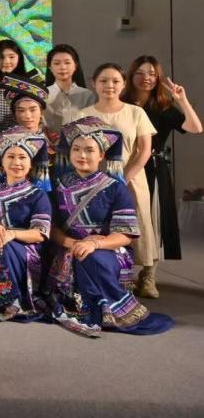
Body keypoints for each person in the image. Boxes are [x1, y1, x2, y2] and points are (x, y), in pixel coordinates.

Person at [46, 117, 174, 337]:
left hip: (108, 249)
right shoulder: (58, 186)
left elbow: (125, 235)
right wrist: (75, 244)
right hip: (68, 247)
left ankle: (107, 309)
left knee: (92, 257)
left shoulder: (116, 188)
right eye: (76, 149)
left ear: (102, 155)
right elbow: (53, 228)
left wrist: (95, 244)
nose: (82, 155)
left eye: (89, 150)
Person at [80, 64, 158, 297]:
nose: (109, 86)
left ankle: (148, 275)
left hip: (130, 178)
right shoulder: (83, 115)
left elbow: (144, 150)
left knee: (139, 223)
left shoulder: (136, 112)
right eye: (103, 81)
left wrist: (125, 177)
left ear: (124, 84)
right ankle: (115, 272)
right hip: (95, 180)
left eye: (115, 81)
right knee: (101, 223)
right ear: (94, 83)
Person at [0, 128, 51, 321]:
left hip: (25, 248)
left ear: (30, 163)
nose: (16, 163)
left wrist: (11, 234)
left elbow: (40, 233)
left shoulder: (39, 195)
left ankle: (11, 301)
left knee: (7, 247)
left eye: (22, 157)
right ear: (2, 162)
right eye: (10, 157)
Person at [123, 56, 202, 261]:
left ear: (158, 77)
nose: (146, 78)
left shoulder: (162, 106)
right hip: (125, 165)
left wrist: (182, 100)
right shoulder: (122, 104)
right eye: (140, 73)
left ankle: (149, 269)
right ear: (131, 76)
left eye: (152, 73)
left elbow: (196, 128)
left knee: (153, 216)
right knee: (125, 213)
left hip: (154, 167)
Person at [44, 44, 95, 136]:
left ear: (75, 66)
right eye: (56, 63)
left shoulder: (87, 95)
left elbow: (92, 124)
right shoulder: (43, 94)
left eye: (67, 63)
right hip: (49, 143)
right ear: (50, 67)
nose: (62, 67)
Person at [0, 39, 30, 130]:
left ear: (19, 58)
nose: (6, 61)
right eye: (1, 57)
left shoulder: (29, 84)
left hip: (22, 135)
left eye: (11, 57)